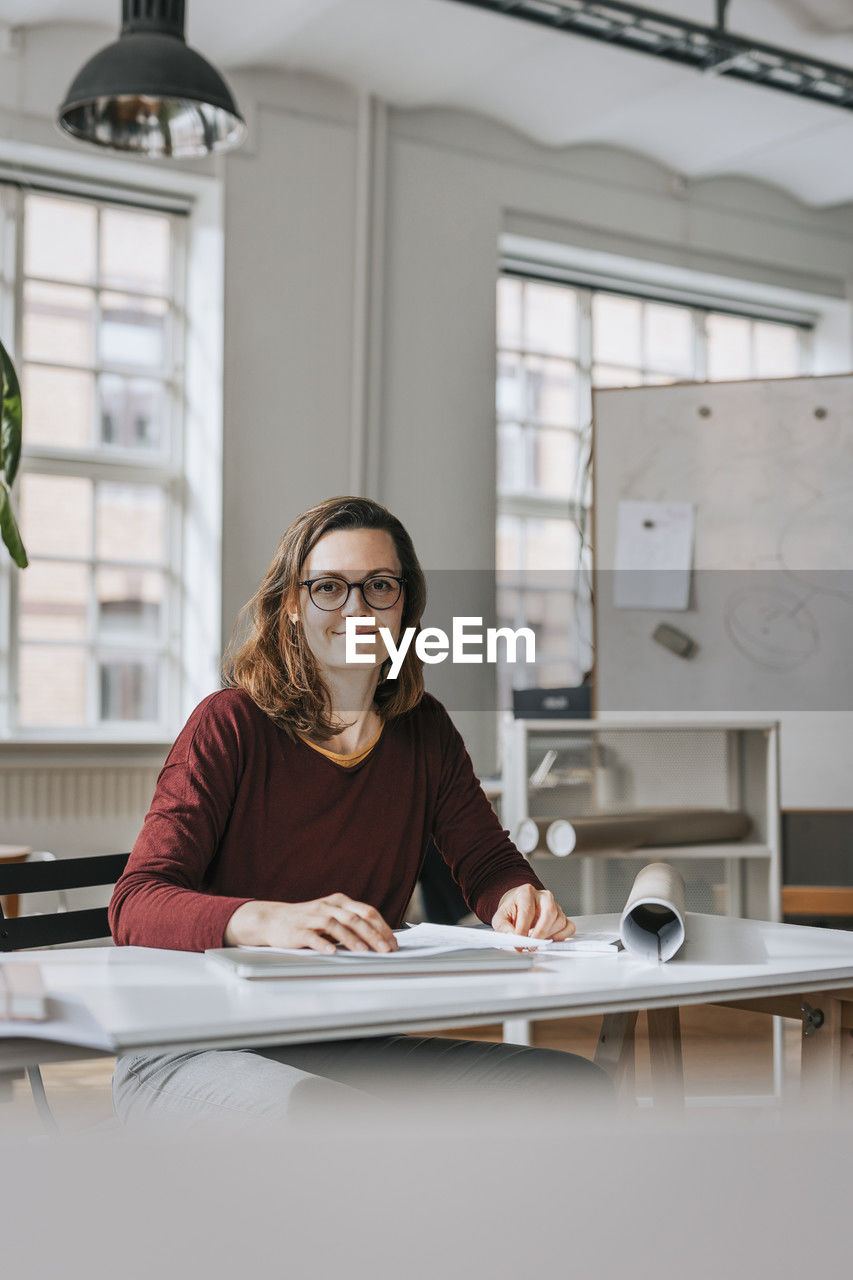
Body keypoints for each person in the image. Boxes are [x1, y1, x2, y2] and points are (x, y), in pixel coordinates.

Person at [109, 496, 609, 1130]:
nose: (357, 609)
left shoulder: (423, 730)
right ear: (291, 604)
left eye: (379, 586)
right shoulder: (228, 724)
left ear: (405, 604)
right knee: (342, 1126)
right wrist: (270, 921)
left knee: (571, 1088)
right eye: (328, 588)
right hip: (189, 1047)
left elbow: (486, 861)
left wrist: (516, 897)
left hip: (347, 1042)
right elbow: (136, 903)